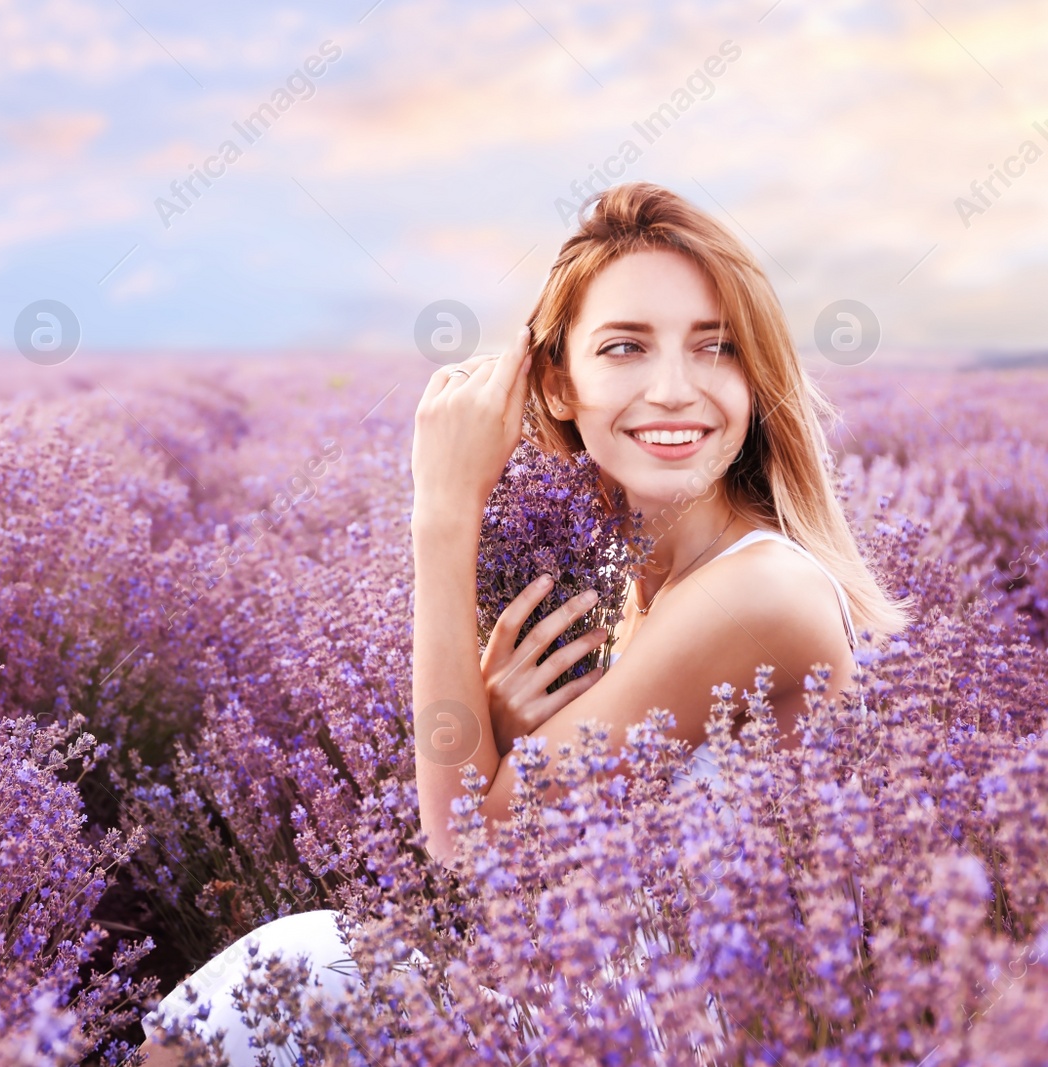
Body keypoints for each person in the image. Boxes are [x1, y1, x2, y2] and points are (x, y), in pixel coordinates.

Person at [136, 182, 909, 1065]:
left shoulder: (758, 589)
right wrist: (496, 738)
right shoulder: (631, 595)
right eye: (625, 346)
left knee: (291, 970)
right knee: (272, 986)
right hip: (591, 1009)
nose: (673, 389)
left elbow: (462, 847)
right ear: (557, 380)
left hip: (677, 1038)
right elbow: (504, 856)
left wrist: (442, 513)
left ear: (756, 376)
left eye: (717, 348)